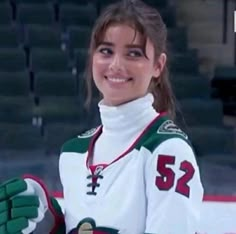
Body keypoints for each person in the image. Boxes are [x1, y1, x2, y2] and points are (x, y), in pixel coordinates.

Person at [0, 0, 204, 233]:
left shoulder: (167, 151)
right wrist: (49, 226)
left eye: (134, 53)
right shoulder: (72, 152)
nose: (116, 65)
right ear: (92, 57)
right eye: (106, 51)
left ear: (158, 65)